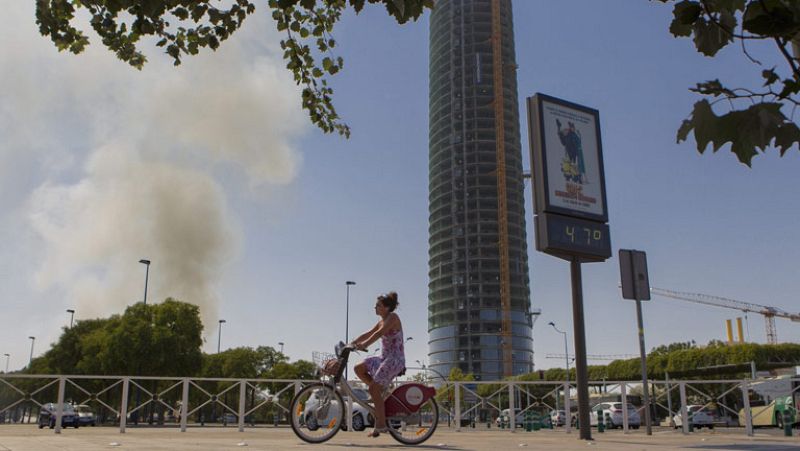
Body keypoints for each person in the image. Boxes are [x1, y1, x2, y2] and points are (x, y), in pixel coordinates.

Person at [352, 291, 405, 438]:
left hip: (395, 359)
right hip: (384, 358)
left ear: (386, 308)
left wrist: (364, 345)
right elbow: (369, 332)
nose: (375, 307)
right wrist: (352, 343)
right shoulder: (382, 320)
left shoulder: (393, 317)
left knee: (373, 388)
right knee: (358, 368)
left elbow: (379, 334)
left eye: (378, 305)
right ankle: (378, 391)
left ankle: (381, 425)